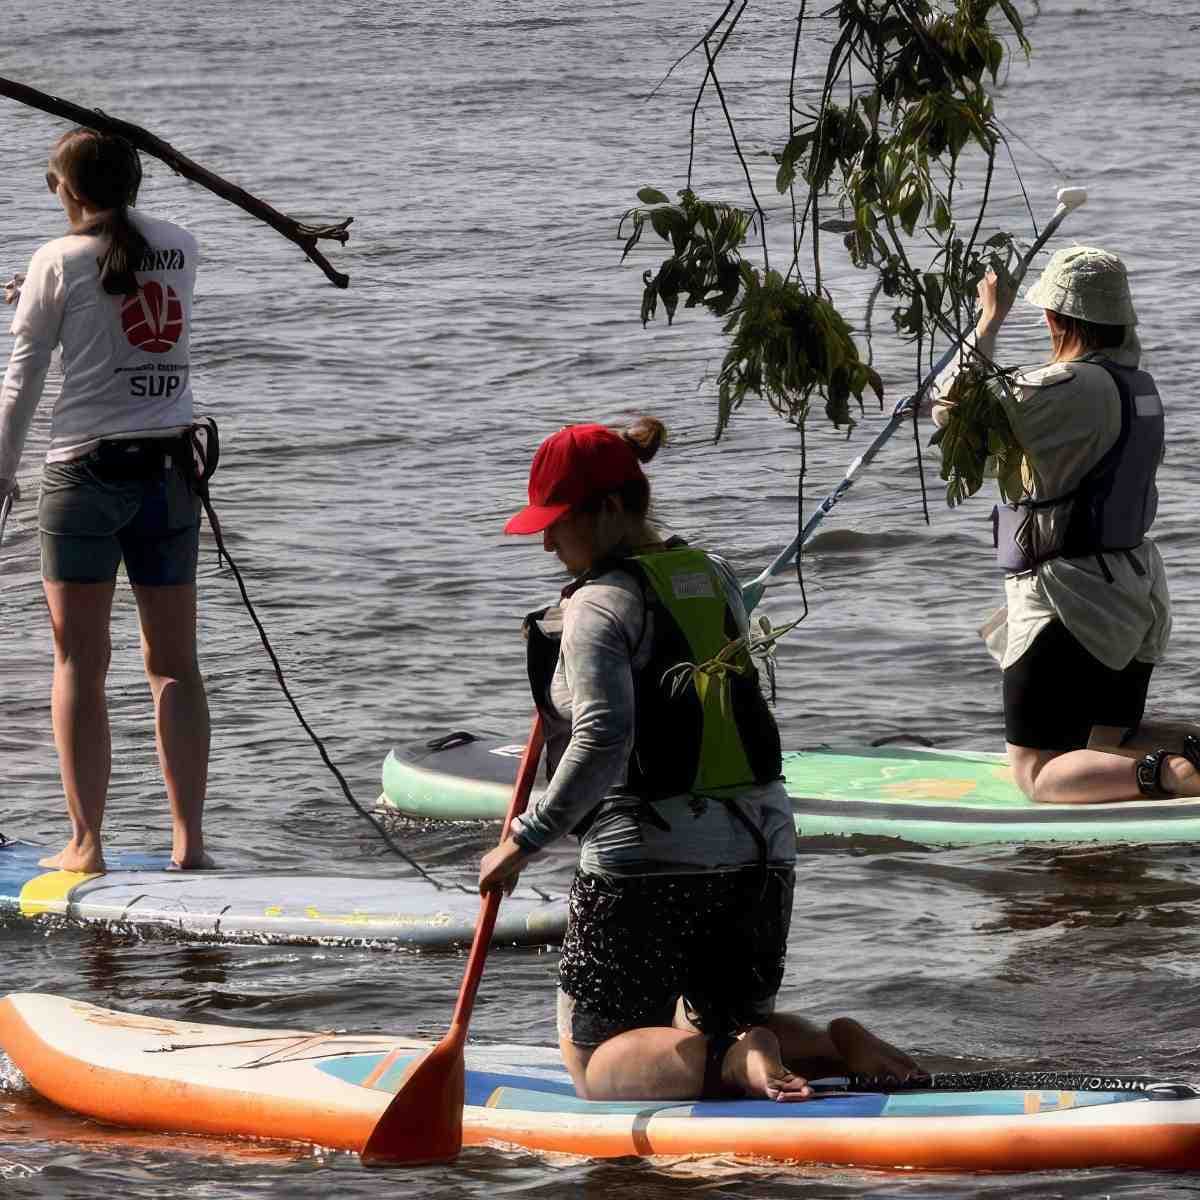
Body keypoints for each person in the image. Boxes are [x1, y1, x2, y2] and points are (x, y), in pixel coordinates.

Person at [479, 417, 922, 1102]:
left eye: (558, 521)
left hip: (652, 852)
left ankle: (739, 1060)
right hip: (765, 845)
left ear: (611, 510)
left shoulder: (597, 605)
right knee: (720, 1019)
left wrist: (524, 839)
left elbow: (603, 738)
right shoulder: (713, 573)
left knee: (595, 1060)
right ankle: (831, 1049)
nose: (546, 540)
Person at [0, 127, 212, 873]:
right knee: (176, 665)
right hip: (168, 476)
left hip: (85, 477)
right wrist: (39, 295)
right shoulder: (182, 244)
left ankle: (86, 846)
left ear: (70, 191)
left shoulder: (56, 259)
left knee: (79, 665)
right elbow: (119, 297)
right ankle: (191, 844)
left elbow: (22, 382)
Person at [932, 246, 1200, 804]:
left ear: (1057, 319)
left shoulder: (1064, 387)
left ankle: (1175, 777)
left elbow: (952, 410)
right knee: (1107, 741)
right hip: (1134, 591)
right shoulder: (1137, 384)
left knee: (1036, 773)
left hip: (1069, 600)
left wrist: (989, 318)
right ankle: (1182, 756)